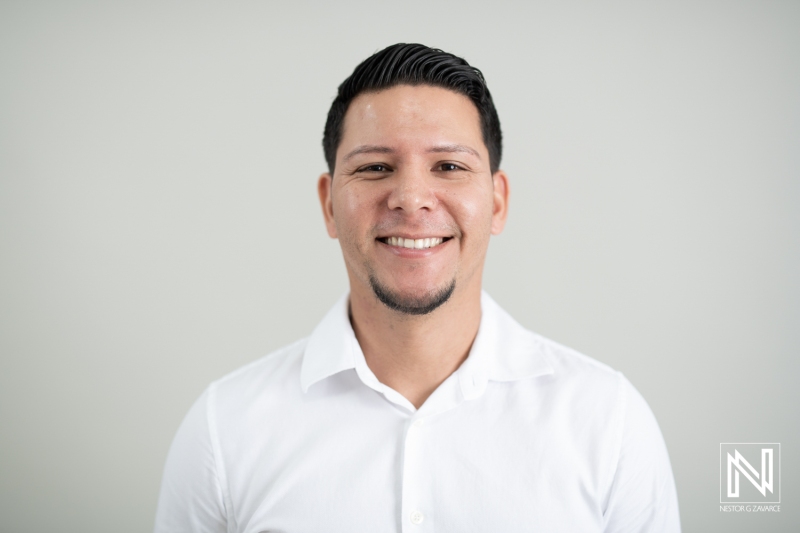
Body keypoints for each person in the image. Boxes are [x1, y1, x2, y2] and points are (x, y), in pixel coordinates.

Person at [154, 43, 681, 532]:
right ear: (327, 203)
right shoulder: (224, 430)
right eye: (376, 167)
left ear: (497, 202)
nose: (410, 197)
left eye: (449, 166)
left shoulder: (608, 422)